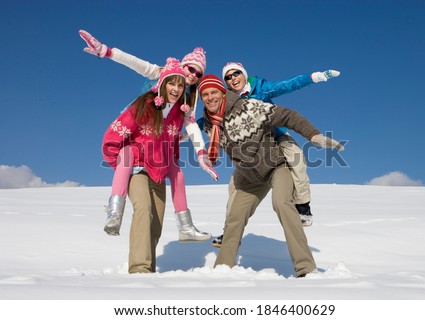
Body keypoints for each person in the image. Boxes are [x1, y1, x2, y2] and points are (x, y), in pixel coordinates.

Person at [198, 75, 344, 277]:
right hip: (249, 178)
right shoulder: (208, 124)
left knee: (282, 203)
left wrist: (314, 135)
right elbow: (184, 128)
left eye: (214, 92)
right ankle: (222, 269)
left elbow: (288, 116)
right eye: (205, 94)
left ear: (223, 93)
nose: (210, 97)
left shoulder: (249, 107)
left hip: (275, 167)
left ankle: (305, 268)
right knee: (234, 217)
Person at [79, 30, 217, 241]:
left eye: (198, 74)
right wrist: (107, 52)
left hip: (160, 140)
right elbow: (136, 63)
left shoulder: (189, 97)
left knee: (176, 171)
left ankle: (186, 226)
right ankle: (114, 212)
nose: (193, 76)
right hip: (136, 128)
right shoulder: (164, 73)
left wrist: (200, 151)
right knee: (126, 157)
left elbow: (190, 125)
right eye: (191, 69)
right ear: (182, 65)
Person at [102, 58, 196, 273]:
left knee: (155, 225)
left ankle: (149, 271)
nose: (176, 88)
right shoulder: (145, 104)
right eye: (172, 83)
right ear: (163, 84)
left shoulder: (178, 115)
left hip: (159, 172)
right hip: (136, 168)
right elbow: (116, 131)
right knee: (143, 209)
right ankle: (139, 269)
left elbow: (171, 145)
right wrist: (120, 160)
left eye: (180, 85)